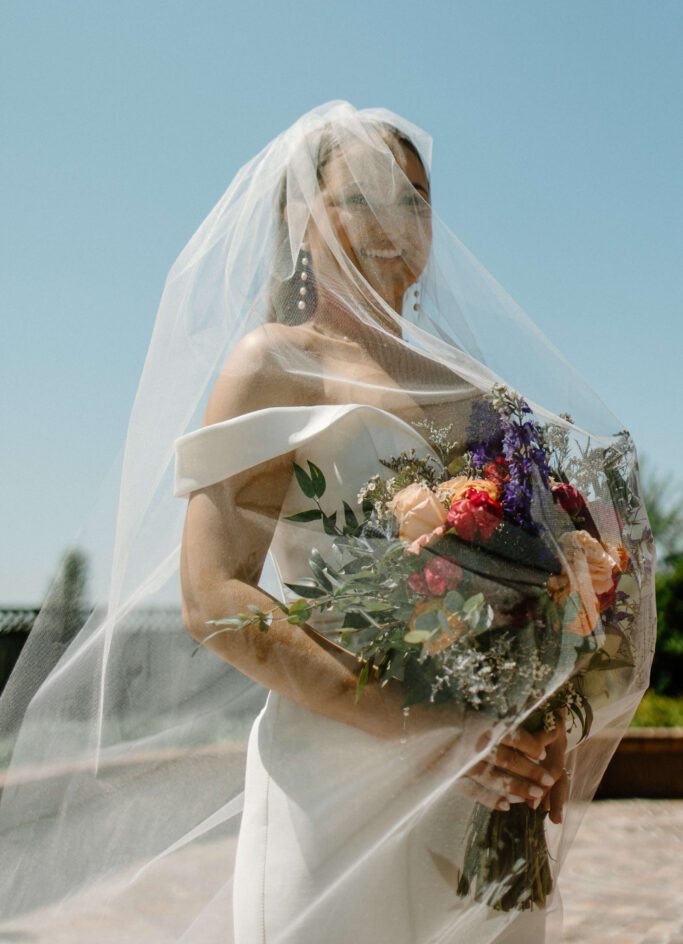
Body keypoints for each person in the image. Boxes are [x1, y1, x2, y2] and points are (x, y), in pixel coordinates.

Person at [0, 103, 655, 943]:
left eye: (414, 200)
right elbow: (212, 597)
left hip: (481, 793)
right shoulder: (272, 364)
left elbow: (540, 580)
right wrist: (431, 734)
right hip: (334, 785)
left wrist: (536, 721)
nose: (394, 222)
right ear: (297, 218)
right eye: (361, 199)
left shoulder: (473, 392)